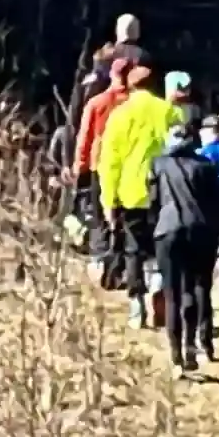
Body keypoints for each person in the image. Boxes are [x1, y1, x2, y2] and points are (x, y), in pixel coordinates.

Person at [97, 64, 178, 327]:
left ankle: (136, 305)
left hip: (130, 192)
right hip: (164, 191)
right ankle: (158, 285)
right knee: (161, 247)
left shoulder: (119, 116)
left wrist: (108, 200)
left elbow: (110, 161)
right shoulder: (169, 111)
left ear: (130, 86)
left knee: (133, 250)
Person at [149, 122, 219, 376]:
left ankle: (176, 356)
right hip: (200, 230)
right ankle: (193, 345)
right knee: (197, 287)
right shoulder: (206, 167)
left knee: (172, 293)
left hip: (167, 231)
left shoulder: (158, 165)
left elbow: (152, 201)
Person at [70, 47, 136, 288]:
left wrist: (80, 167)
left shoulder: (97, 103)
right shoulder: (134, 104)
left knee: (99, 217)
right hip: (131, 166)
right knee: (128, 218)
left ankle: (102, 265)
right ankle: (125, 268)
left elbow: (85, 138)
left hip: (101, 166)